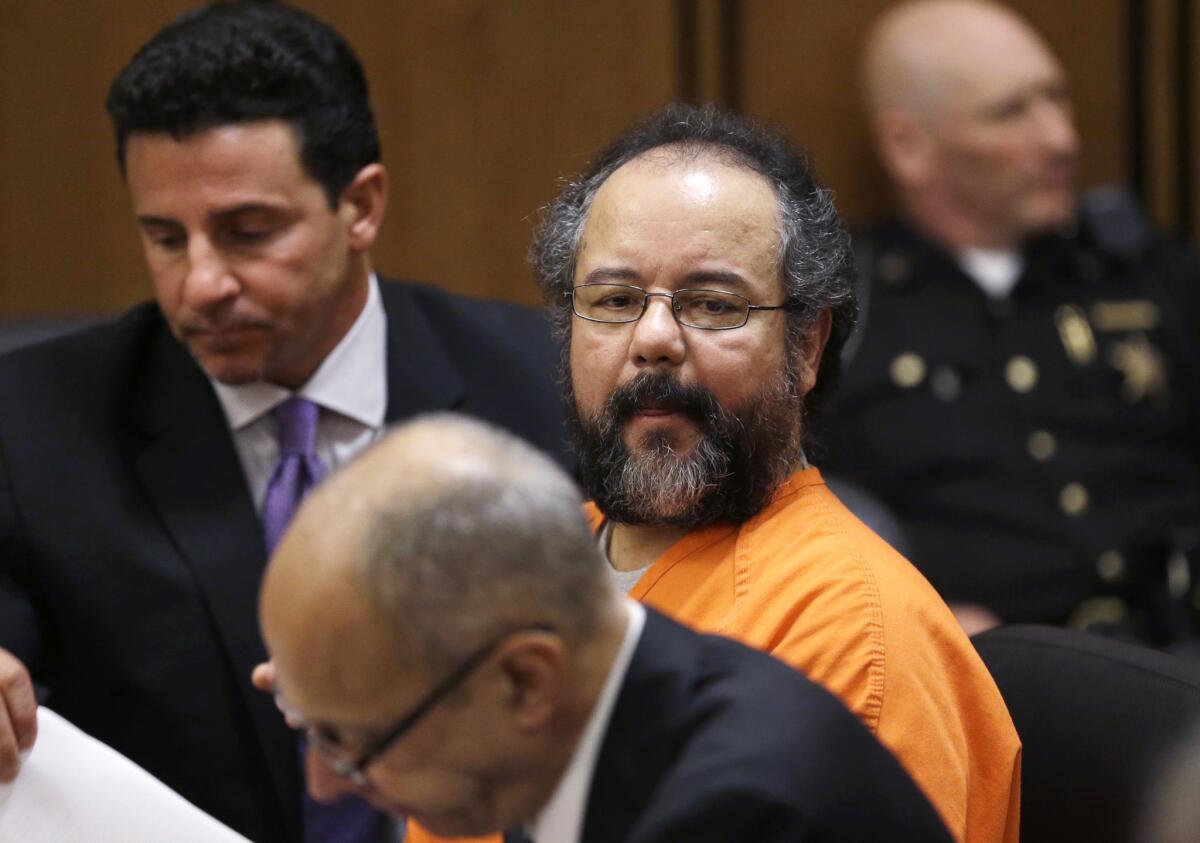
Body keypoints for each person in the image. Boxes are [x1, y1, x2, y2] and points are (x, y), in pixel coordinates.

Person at [0, 3, 567, 842]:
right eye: (164, 237)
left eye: (248, 232)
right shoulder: (35, 421)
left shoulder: (546, 388)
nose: (199, 285)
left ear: (361, 207)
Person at [409, 103, 1020, 843]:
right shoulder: (534, 572)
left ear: (805, 349)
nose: (654, 338)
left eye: (711, 304)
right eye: (614, 301)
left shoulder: (857, 637)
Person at [256, 413, 955, 843]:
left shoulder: (741, 817)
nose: (324, 784)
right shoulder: (605, 715)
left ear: (525, 679)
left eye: (353, 744)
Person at [825, 0, 1200, 642]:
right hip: (1002, 683)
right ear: (908, 147)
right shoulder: (848, 312)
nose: (1062, 140)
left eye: (1057, 99)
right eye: (1011, 112)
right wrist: (909, 614)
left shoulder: (1145, 272)